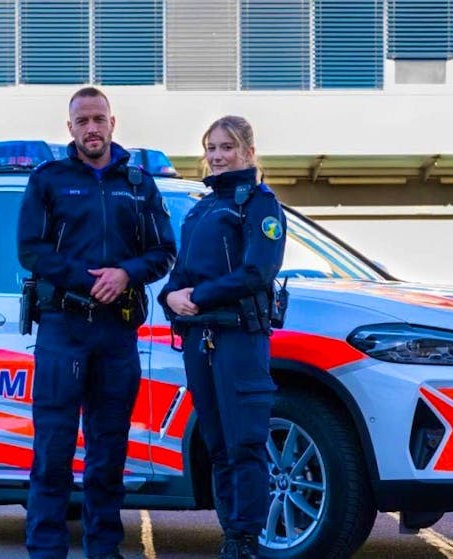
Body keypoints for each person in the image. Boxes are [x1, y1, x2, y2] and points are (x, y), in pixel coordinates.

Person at [18, 87, 177, 559]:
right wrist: (87, 281)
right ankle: (46, 550)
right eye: (82, 120)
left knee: (108, 453)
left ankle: (104, 550)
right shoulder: (48, 180)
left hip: (116, 331)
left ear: (113, 123)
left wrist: (126, 273)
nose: (91, 128)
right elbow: (30, 249)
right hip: (63, 330)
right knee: (53, 449)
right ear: (70, 128)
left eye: (99, 119)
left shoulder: (139, 183)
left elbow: (163, 250)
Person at [158, 116, 286, 559]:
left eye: (226, 147)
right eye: (210, 147)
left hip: (238, 339)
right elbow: (178, 278)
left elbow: (258, 271)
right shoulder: (201, 208)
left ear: (248, 152)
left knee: (244, 443)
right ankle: (230, 535)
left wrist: (200, 297)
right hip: (200, 341)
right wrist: (170, 298)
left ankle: (246, 541)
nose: (216, 156)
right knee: (216, 446)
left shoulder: (259, 204)